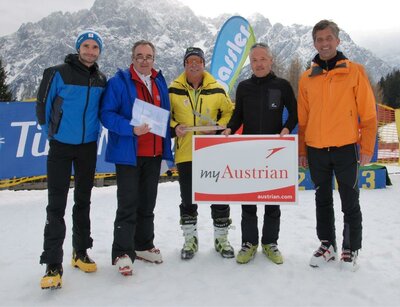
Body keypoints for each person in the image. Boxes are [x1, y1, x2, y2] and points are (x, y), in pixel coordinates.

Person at [297, 20, 377, 271]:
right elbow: (303, 119)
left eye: (328, 38)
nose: (324, 43)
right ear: (314, 43)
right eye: (319, 39)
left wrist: (365, 148)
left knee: (349, 200)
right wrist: (301, 150)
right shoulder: (307, 78)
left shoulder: (355, 72)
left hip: (345, 148)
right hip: (316, 149)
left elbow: (369, 115)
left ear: (338, 40)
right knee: (322, 199)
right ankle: (327, 245)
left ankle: (350, 247)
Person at [36, 30, 106, 289]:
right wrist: (53, 136)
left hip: (88, 147)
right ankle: (52, 263)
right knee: (56, 204)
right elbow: (42, 108)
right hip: (61, 146)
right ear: (78, 48)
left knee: (83, 201)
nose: (90, 51)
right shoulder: (57, 72)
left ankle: (81, 251)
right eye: (86, 46)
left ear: (99, 51)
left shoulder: (100, 78)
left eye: (95, 47)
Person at [100, 40, 173, 276]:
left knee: (148, 203)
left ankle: (143, 245)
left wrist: (169, 141)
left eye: (149, 56)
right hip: (129, 154)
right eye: (139, 56)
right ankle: (122, 252)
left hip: (153, 154)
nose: (144, 60)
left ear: (154, 59)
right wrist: (130, 128)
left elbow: (164, 117)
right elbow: (106, 115)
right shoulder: (119, 82)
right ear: (132, 58)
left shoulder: (159, 81)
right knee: (128, 204)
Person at [222, 43, 298, 265]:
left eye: (262, 59)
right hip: (249, 151)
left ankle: (270, 243)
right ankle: (249, 243)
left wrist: (285, 129)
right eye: (254, 60)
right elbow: (238, 116)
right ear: (251, 63)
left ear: (271, 60)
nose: (259, 63)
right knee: (248, 201)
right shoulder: (244, 87)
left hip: (274, 152)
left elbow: (295, 113)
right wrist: (229, 128)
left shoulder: (282, 85)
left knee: (273, 200)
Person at [169, 47, 234, 260]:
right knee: (188, 198)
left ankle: (221, 239)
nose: (194, 64)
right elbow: (164, 116)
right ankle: (190, 240)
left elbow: (229, 112)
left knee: (219, 196)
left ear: (203, 64)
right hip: (186, 152)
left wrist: (219, 126)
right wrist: (175, 126)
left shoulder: (217, 89)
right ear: (185, 65)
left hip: (212, 150)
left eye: (198, 60)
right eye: (190, 61)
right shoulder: (173, 89)